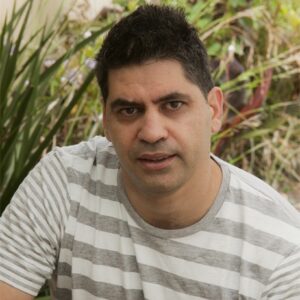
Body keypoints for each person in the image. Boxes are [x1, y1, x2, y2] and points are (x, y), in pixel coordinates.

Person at [1, 4, 300, 300]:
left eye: (173, 105)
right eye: (129, 110)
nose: (152, 132)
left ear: (214, 109)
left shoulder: (281, 250)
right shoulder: (64, 184)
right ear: (106, 120)